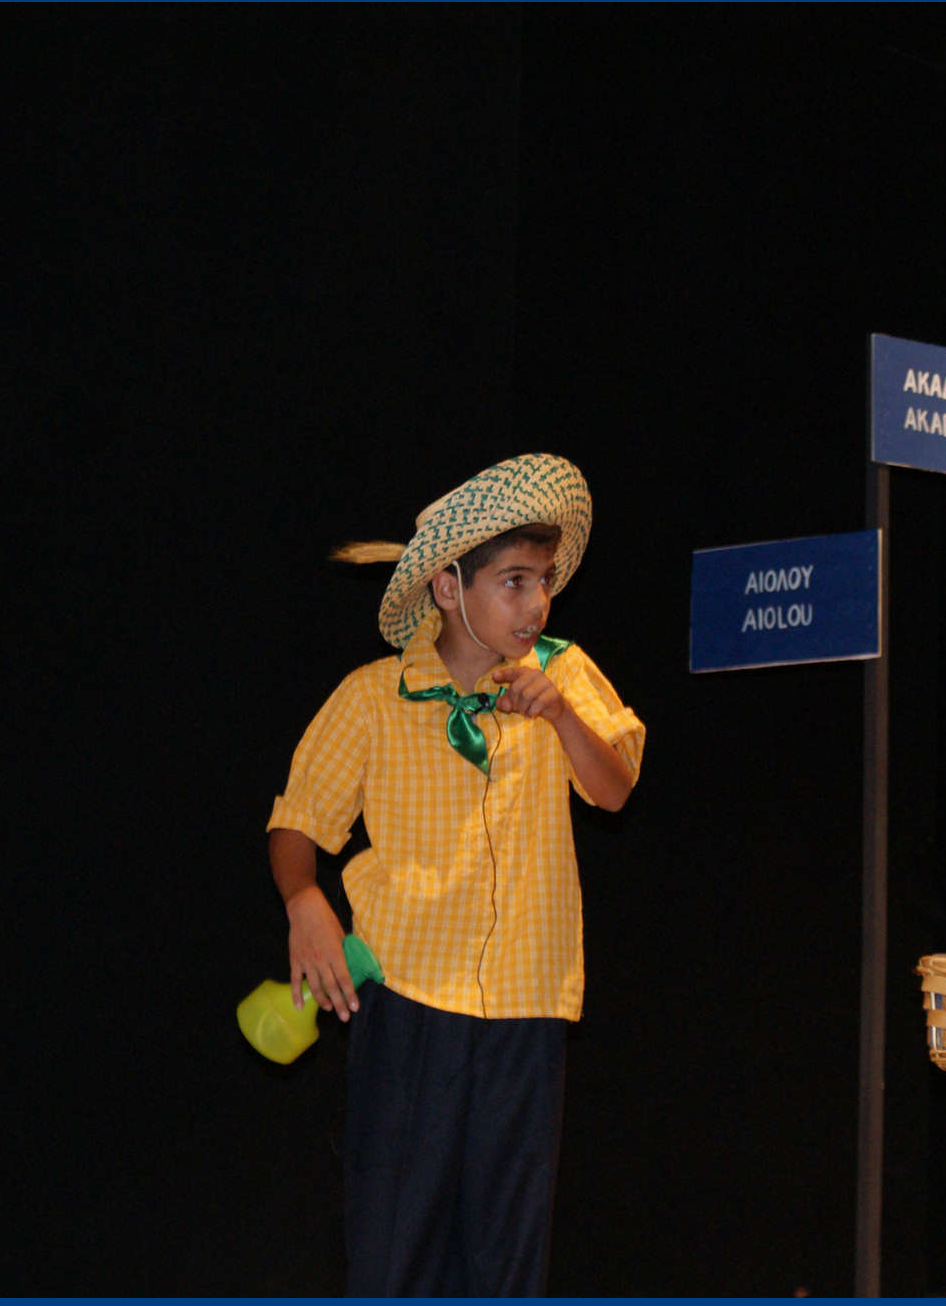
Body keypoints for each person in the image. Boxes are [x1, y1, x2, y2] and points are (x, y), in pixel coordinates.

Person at [264, 452, 645, 1296]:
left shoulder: (563, 673)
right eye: (513, 582)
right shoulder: (376, 695)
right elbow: (298, 819)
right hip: (408, 1003)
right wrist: (304, 901)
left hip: (527, 1008)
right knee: (394, 1247)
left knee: (506, 1258)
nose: (536, 603)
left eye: (544, 582)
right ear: (447, 588)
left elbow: (615, 789)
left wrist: (561, 715)